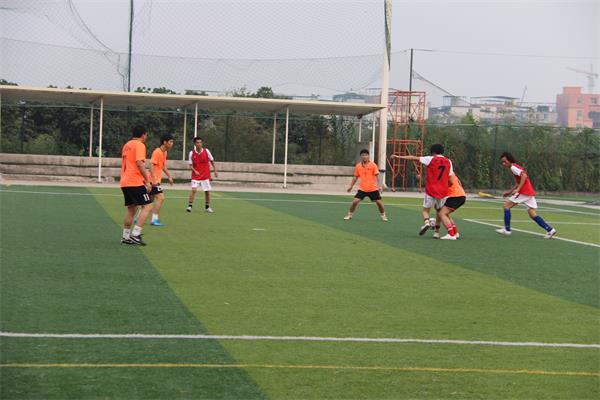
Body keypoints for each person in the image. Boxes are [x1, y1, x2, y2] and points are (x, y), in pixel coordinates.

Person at [391, 143, 453, 236]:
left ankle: (427, 222)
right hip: (443, 190)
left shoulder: (431, 159)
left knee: (425, 210)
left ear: (433, 152)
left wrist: (398, 156)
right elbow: (450, 178)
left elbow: (413, 158)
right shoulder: (449, 161)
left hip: (431, 189)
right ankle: (437, 232)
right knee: (440, 211)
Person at [496, 152, 556, 239]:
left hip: (524, 192)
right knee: (532, 213)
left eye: (505, 161)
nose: (503, 164)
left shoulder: (513, 167)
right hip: (528, 192)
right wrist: (510, 191)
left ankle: (507, 229)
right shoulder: (515, 167)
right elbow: (519, 181)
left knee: (506, 206)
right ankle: (550, 230)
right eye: (502, 162)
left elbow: (524, 176)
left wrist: (518, 189)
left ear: (509, 160)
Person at [120, 125, 153, 246]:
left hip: (125, 181)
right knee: (147, 206)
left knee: (132, 209)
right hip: (134, 181)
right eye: (146, 135)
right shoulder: (139, 145)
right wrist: (147, 181)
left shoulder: (127, 145)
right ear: (143, 135)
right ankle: (135, 234)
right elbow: (139, 163)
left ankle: (125, 237)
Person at [344, 149, 388, 222]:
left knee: (379, 203)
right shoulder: (358, 166)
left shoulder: (373, 165)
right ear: (360, 156)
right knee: (355, 202)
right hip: (362, 189)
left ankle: (383, 215)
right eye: (362, 155)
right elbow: (355, 177)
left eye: (365, 155)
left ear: (368, 156)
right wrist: (351, 186)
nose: (364, 156)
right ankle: (349, 215)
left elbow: (378, 176)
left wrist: (380, 186)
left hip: (373, 189)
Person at [149, 133, 175, 226]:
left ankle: (138, 218)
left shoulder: (165, 152)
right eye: (170, 142)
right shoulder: (157, 152)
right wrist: (154, 179)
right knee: (161, 197)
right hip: (153, 180)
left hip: (156, 180)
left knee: (149, 201)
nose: (172, 144)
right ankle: (154, 220)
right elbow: (151, 164)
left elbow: (163, 166)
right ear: (165, 142)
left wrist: (169, 176)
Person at [186, 137, 218, 213]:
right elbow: (190, 165)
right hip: (196, 175)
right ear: (195, 144)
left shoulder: (206, 151)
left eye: (200, 142)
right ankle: (190, 206)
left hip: (205, 175)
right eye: (197, 142)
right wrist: (195, 171)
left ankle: (207, 207)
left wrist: (215, 170)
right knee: (194, 190)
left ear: (202, 143)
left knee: (207, 191)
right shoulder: (191, 153)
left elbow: (212, 160)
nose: (199, 144)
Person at [433, 174, 466, 240]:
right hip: (461, 195)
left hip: (455, 196)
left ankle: (451, 234)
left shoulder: (444, 175)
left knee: (442, 213)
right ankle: (455, 233)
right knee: (445, 213)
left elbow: (443, 188)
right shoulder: (453, 174)